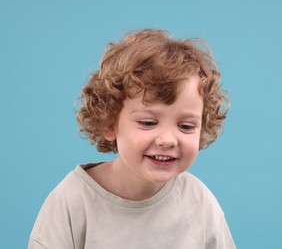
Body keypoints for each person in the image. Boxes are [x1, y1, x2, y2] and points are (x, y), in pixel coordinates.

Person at [28, 29, 236, 249]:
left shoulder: (199, 202)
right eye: (148, 123)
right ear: (110, 122)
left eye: (185, 126)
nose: (168, 140)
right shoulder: (72, 201)